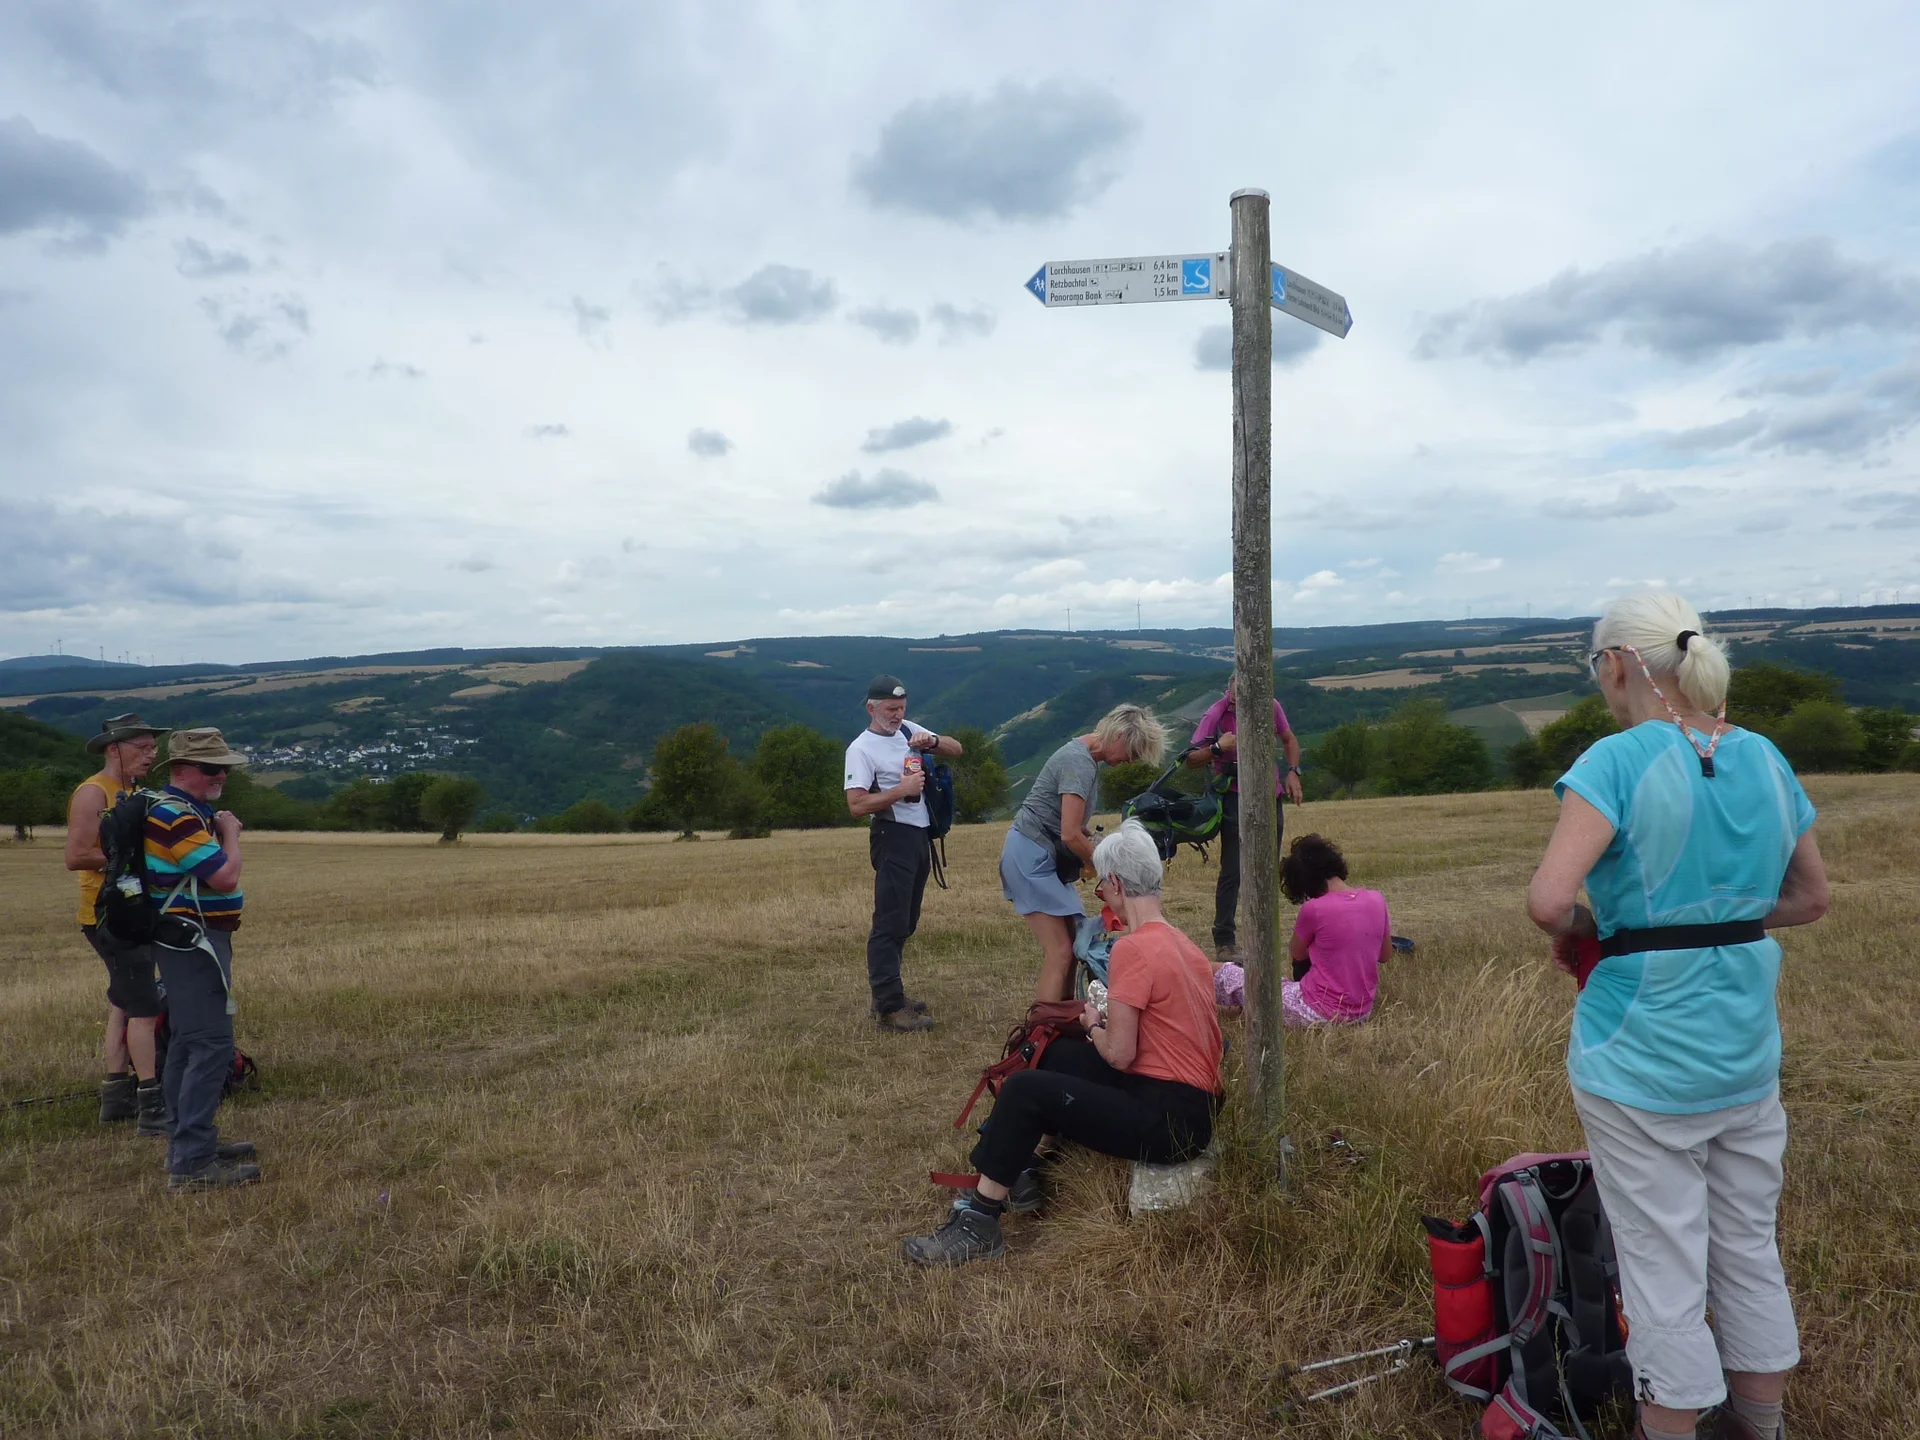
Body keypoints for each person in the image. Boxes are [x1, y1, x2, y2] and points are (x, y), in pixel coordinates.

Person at [1526, 592, 1829, 1440]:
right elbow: (1810, 898)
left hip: (1640, 1054)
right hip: (1744, 1050)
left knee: (1661, 1265)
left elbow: (1550, 900)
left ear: (1618, 662)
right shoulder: (1766, 758)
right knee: (1746, 1245)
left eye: (1597, 668)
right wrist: (1719, 916)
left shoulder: (1616, 761)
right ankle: (1759, 1423)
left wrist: (1600, 929)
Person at [905, 819, 1222, 1266]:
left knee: (1024, 1088)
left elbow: (1119, 1053)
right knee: (1051, 1053)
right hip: (1192, 1107)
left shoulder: (1133, 948)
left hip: (1169, 1122)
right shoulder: (1183, 944)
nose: (1101, 897)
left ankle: (980, 1221)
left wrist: (1093, 1023)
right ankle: (1022, 1169)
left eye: (1100, 889)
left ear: (1114, 882)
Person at [147, 728, 261, 1190]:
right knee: (211, 1045)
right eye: (214, 768)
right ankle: (192, 1162)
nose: (223, 776)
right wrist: (231, 834)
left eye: (225, 767)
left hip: (185, 940)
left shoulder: (179, 811)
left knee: (185, 1044)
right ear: (183, 770)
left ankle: (188, 1144)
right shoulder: (178, 816)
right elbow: (225, 878)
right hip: (194, 943)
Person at [1000, 704, 1167, 1000]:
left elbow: (1071, 826)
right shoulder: (1079, 764)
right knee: (1061, 952)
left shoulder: (1085, 758)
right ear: (1118, 735)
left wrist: (1093, 843)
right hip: (1029, 855)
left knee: (1074, 945)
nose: (1130, 762)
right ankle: (1042, 1034)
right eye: (1132, 752)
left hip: (1038, 852)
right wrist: (1106, 869)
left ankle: (1062, 1018)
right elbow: (1069, 834)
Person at [64, 712, 170, 1132]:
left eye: (153, 748)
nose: (151, 755)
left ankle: (116, 1097)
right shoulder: (94, 794)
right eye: (141, 748)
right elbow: (75, 856)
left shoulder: (134, 791)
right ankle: (152, 1105)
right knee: (144, 1006)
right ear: (114, 749)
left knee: (122, 1003)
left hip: (130, 912)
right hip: (109, 917)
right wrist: (131, 859)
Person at [844, 675, 963, 1033]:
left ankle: (888, 995)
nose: (897, 715)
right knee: (889, 923)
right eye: (890, 709)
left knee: (906, 921)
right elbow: (856, 805)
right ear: (872, 708)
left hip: (918, 836)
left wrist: (934, 741)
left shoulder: (908, 730)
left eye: (901, 708)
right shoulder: (861, 749)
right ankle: (890, 1009)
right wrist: (902, 790)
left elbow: (956, 749)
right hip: (892, 835)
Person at [1184, 678, 1303, 960]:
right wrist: (1217, 748)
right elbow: (1190, 759)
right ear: (1230, 694)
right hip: (1233, 796)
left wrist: (1293, 771)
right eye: (1236, 700)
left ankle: (1264, 932)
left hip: (1268, 794)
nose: (1240, 704)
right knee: (1234, 870)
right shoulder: (1216, 713)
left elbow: (1288, 739)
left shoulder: (1270, 706)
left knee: (1267, 865)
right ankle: (1224, 940)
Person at [1276, 833, 1390, 1023]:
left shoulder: (1313, 908)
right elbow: (1384, 955)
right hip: (1362, 1012)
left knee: (1240, 980)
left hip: (1319, 1010)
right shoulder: (1377, 899)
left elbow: (1297, 953)